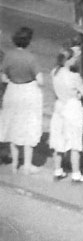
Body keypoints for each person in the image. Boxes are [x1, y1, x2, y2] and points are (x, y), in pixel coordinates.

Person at [0, 27, 44, 175]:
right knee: (28, 127)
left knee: (13, 126)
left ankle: (14, 163)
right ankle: (27, 164)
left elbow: (4, 77)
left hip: (12, 91)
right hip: (28, 92)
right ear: (29, 41)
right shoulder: (31, 58)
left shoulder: (9, 56)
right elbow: (40, 80)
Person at [49, 45, 83, 182]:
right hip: (72, 108)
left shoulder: (54, 72)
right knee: (74, 141)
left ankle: (57, 170)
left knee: (58, 140)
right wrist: (78, 93)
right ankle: (76, 173)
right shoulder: (74, 76)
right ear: (69, 60)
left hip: (59, 106)